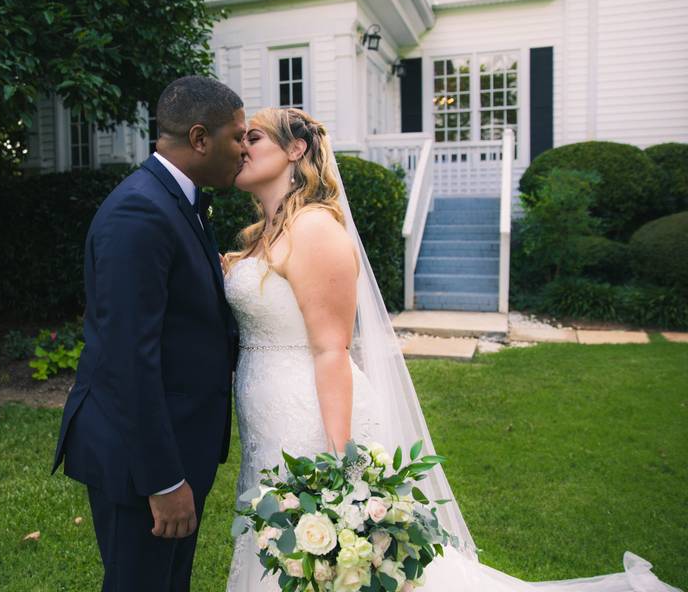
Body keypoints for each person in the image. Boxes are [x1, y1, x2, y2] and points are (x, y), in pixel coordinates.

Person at [222, 106, 681, 592]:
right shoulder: (260, 236)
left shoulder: (314, 229)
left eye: (253, 136)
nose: (240, 147)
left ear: (295, 149)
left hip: (313, 419)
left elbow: (332, 350)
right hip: (268, 424)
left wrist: (340, 474)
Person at [51, 75, 244, 591]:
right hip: (141, 461)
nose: (246, 150)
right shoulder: (140, 211)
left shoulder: (177, 199)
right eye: (238, 137)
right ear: (200, 139)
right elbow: (127, 358)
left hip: (176, 443)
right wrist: (162, 479)